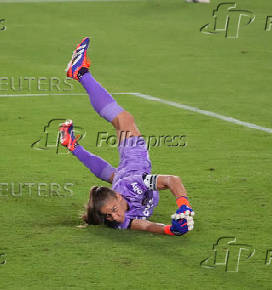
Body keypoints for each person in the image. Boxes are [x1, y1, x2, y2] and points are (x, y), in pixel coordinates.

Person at [60, 37, 194, 236]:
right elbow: (146, 226)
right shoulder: (118, 220)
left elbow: (172, 180)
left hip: (134, 162)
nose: (114, 217)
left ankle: (81, 74)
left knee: (123, 121)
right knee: (114, 163)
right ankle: (72, 143)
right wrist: (170, 230)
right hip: (125, 174)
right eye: (109, 215)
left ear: (118, 197)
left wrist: (184, 207)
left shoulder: (132, 185)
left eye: (112, 211)